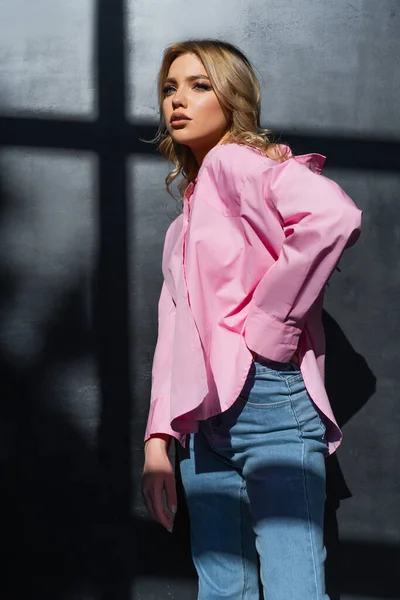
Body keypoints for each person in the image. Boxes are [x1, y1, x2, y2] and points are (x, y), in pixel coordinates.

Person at [141, 39, 362, 600]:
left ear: (231, 96)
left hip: (269, 404)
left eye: (199, 85)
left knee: (293, 588)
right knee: (222, 589)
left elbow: (333, 215)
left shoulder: (235, 162)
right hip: (202, 424)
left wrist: (270, 328)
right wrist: (158, 438)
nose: (178, 100)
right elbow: (175, 329)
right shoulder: (183, 222)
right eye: (170, 88)